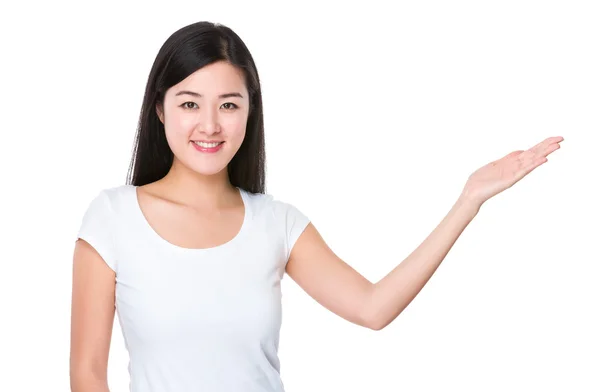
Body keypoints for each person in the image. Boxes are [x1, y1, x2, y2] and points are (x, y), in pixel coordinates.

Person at [69, 21, 564, 392]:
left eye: (229, 104)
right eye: (190, 103)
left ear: (249, 111)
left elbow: (373, 308)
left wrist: (469, 198)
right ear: (160, 109)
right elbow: (88, 374)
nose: (210, 124)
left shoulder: (276, 225)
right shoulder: (113, 218)